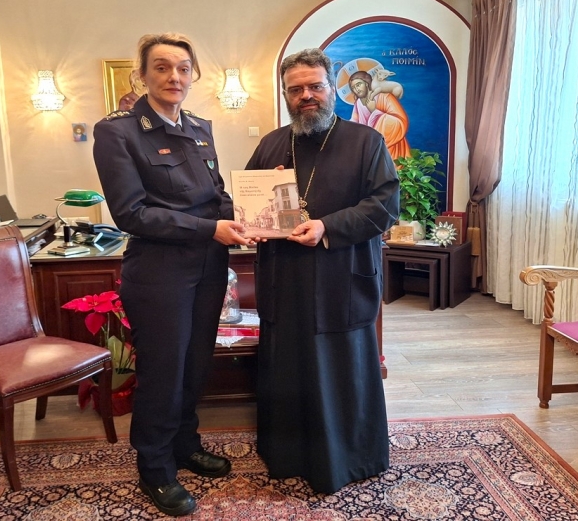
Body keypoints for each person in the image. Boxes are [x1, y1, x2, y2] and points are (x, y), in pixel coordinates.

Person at [93, 33, 252, 517]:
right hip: (159, 272)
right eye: (161, 67)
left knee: (195, 365)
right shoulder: (118, 132)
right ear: (141, 75)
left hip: (208, 266)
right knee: (163, 372)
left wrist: (250, 220)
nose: (174, 77)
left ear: (192, 75)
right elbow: (131, 213)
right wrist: (211, 228)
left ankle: (185, 444)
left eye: (183, 68)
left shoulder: (200, 127)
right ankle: (156, 467)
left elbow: (217, 195)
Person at [245, 48, 400, 493]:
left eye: (315, 86)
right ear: (286, 95)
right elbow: (248, 202)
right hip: (284, 279)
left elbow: (384, 205)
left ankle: (349, 458)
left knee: (340, 368)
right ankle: (288, 454)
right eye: (296, 89)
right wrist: (253, 222)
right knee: (288, 366)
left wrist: (326, 226)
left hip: (341, 276)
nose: (306, 96)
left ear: (332, 89)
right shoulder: (271, 143)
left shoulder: (366, 142)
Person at [348, 69, 410, 160]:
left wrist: (374, 111)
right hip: (369, 146)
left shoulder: (385, 97)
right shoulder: (358, 103)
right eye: (353, 87)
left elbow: (400, 122)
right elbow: (354, 122)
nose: (356, 89)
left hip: (390, 148)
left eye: (358, 85)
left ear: (366, 83)